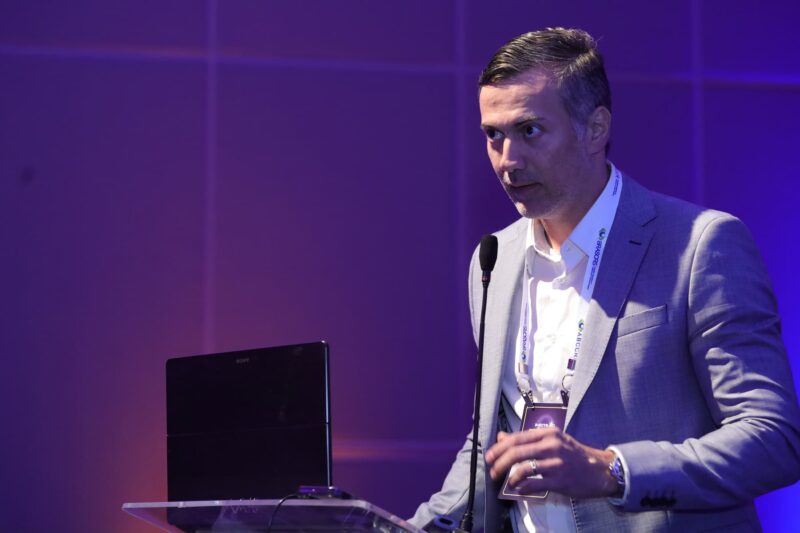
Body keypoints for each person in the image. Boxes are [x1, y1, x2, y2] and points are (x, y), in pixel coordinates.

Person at [409, 27, 800, 532]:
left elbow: (773, 438)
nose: (508, 160)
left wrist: (613, 470)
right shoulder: (494, 259)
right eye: (493, 135)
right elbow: (493, 439)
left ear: (595, 129)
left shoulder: (700, 245)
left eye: (530, 130)